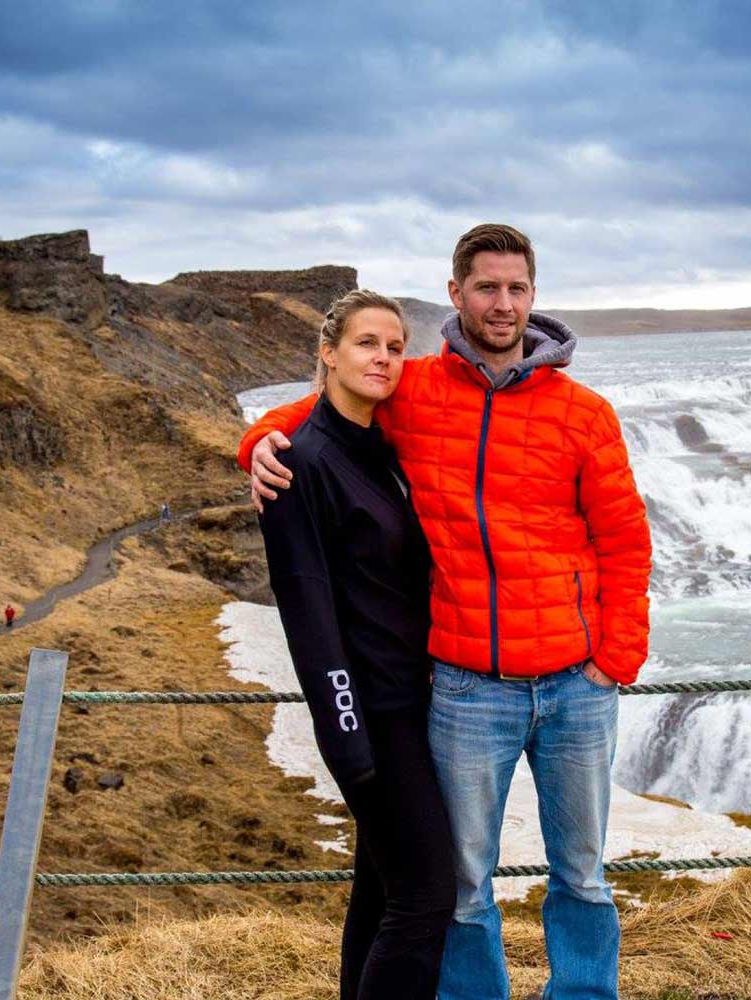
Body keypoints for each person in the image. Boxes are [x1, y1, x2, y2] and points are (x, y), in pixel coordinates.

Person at [241, 224, 652, 1000]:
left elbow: (626, 541)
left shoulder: (584, 413)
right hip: (466, 688)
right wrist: (259, 440)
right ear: (457, 292)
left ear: (534, 298)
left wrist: (614, 657)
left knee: (584, 879)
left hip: (575, 684)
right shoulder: (416, 390)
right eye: (487, 288)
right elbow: (323, 416)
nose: (503, 304)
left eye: (518, 289)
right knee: (463, 891)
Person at [257, 288, 453, 1000]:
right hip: (370, 716)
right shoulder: (301, 465)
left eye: (397, 347)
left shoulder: (377, 450)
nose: (384, 358)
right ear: (329, 353)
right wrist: (349, 741)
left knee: (379, 894)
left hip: (410, 705)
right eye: (368, 343)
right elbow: (308, 615)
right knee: (427, 896)